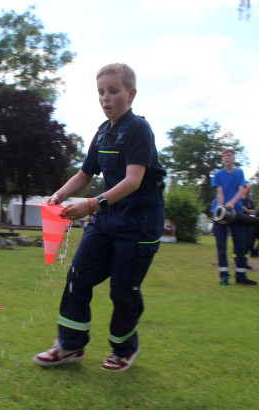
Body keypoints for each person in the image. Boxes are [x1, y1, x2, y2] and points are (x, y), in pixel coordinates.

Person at [32, 63, 166, 372]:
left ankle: (124, 348)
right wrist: (58, 197)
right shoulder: (103, 133)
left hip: (139, 225)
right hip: (106, 222)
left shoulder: (138, 129)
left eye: (113, 91)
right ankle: (70, 346)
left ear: (131, 94)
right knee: (77, 278)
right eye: (101, 92)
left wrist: (91, 205)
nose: (106, 98)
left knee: (122, 291)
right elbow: (84, 173)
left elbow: (133, 180)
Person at [212, 148, 257, 286]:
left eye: (229, 155)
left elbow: (241, 190)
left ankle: (241, 275)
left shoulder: (239, 173)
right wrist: (221, 208)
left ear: (233, 158)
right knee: (221, 246)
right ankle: (224, 276)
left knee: (240, 246)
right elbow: (219, 192)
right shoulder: (218, 174)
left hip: (236, 213)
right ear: (222, 159)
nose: (227, 158)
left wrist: (231, 203)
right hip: (221, 214)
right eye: (224, 156)